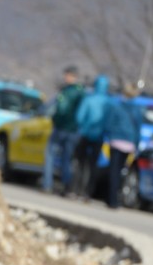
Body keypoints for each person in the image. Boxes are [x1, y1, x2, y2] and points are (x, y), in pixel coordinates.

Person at [42, 65, 83, 195]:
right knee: (67, 158)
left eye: (67, 75)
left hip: (62, 128)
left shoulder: (66, 92)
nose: (65, 77)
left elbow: (61, 110)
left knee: (50, 154)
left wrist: (54, 119)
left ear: (72, 76)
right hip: (74, 130)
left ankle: (47, 185)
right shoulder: (82, 92)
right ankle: (67, 187)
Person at [102, 84, 143, 209]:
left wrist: (108, 136)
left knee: (113, 170)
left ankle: (111, 199)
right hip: (129, 143)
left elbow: (109, 123)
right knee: (121, 171)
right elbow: (138, 128)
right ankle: (117, 198)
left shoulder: (117, 106)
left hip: (116, 141)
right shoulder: (137, 109)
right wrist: (136, 144)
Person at [71, 74, 110, 201]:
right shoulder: (109, 102)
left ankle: (76, 189)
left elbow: (79, 117)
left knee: (80, 162)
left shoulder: (89, 99)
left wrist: (84, 127)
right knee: (93, 165)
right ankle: (88, 192)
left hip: (85, 135)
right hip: (100, 137)